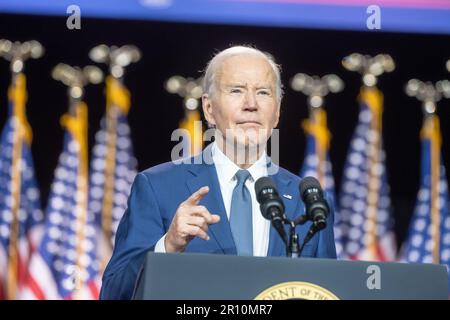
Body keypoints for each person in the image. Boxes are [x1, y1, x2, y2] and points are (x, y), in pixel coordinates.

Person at [100, 46, 336, 300]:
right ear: (209, 108)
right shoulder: (158, 188)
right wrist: (167, 247)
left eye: (263, 92)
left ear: (277, 112)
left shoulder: (308, 201)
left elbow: (329, 292)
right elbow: (114, 292)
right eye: (236, 90)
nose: (251, 104)